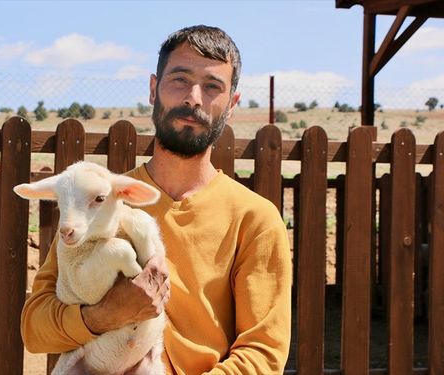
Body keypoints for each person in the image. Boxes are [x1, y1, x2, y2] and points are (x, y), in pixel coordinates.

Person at [21, 25, 292, 374]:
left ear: (232, 104)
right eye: (180, 79)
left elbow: (263, 353)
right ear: (153, 89)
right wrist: (104, 315)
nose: (193, 98)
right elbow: (35, 329)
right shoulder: (102, 200)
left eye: (212, 86)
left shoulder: (255, 218)